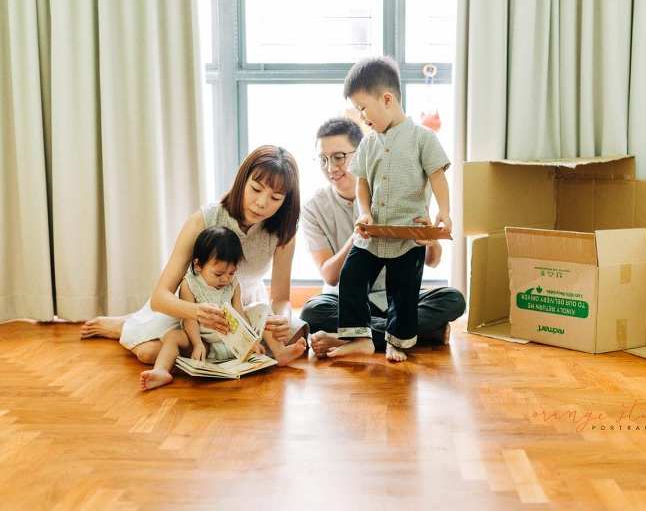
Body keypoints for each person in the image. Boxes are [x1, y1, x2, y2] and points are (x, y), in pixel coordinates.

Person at [81, 145, 308, 365]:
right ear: (242, 181)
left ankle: (134, 323)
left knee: (296, 337)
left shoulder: (283, 233)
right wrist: (198, 312)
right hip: (193, 307)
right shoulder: (204, 219)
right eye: (256, 189)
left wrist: (283, 320)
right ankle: (126, 325)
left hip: (240, 308)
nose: (261, 203)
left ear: (286, 201)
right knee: (150, 354)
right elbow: (161, 296)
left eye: (275, 198)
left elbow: (280, 299)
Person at [299, 117, 465, 359]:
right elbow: (330, 275)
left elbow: (433, 261)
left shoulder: (399, 193)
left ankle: (360, 335)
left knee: (453, 299)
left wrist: (427, 238)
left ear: (361, 154)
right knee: (312, 311)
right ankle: (416, 333)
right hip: (345, 300)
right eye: (323, 159)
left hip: (395, 296)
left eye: (338, 157)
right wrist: (358, 236)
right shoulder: (314, 207)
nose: (330, 167)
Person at [333, 56, 455, 362]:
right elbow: (362, 183)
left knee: (403, 292)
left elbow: (437, 176)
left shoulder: (422, 138)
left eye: (363, 108)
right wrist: (364, 212)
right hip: (372, 233)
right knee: (351, 275)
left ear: (387, 99)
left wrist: (445, 211)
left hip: (409, 234)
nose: (361, 116)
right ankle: (359, 336)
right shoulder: (368, 144)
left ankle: (397, 341)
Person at [140, 226, 306, 391]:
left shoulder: (233, 284)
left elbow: (240, 313)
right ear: (198, 265)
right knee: (173, 336)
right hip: (205, 341)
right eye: (218, 274)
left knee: (262, 311)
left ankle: (280, 352)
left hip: (232, 339)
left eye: (231, 273)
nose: (226, 279)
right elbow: (189, 319)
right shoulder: (189, 284)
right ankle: (161, 370)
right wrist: (197, 344)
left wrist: (250, 342)